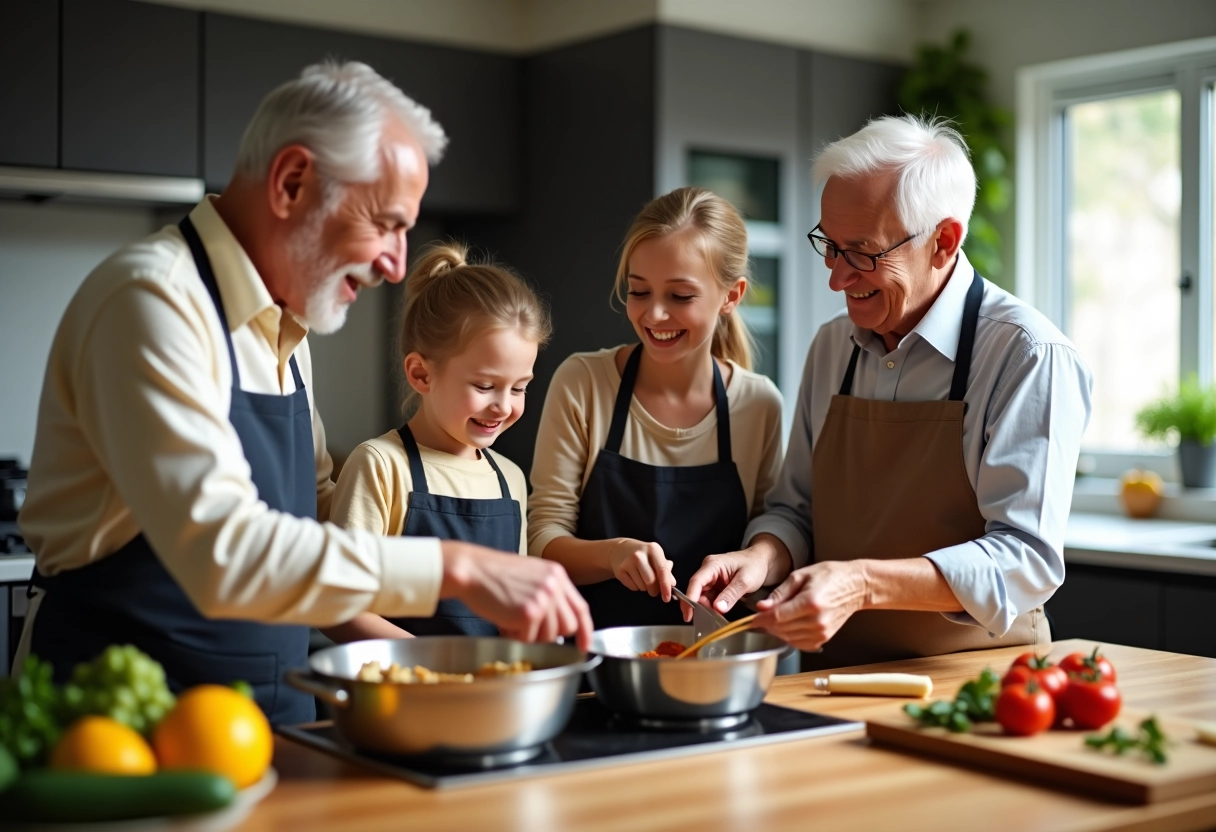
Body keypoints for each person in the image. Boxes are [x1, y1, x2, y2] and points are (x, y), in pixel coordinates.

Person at [16, 61, 590, 725]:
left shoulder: (285, 325)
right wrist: (457, 566)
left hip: (268, 721)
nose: (397, 265)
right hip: (125, 728)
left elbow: (313, 514)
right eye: (387, 223)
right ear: (292, 184)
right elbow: (222, 551)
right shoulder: (154, 302)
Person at [686, 115, 1092, 670]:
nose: (836, 278)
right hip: (836, 680)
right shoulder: (832, 346)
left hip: (976, 685)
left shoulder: (1027, 356)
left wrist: (861, 582)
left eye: (862, 253)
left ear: (944, 242)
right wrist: (762, 557)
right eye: (829, 245)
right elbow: (797, 510)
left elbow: (1024, 562)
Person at [528, 187, 784, 629]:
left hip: (720, 662)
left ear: (731, 296)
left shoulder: (759, 404)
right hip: (598, 661)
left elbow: (774, 534)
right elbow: (542, 538)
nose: (655, 315)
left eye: (680, 296)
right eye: (639, 291)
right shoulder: (584, 383)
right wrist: (613, 554)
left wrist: (753, 559)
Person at [322, 243, 548, 642]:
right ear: (422, 375)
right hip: (404, 694)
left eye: (520, 388)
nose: (503, 406)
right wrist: (432, 668)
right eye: (484, 385)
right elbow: (336, 606)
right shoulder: (380, 466)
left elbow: (514, 611)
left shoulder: (508, 479)